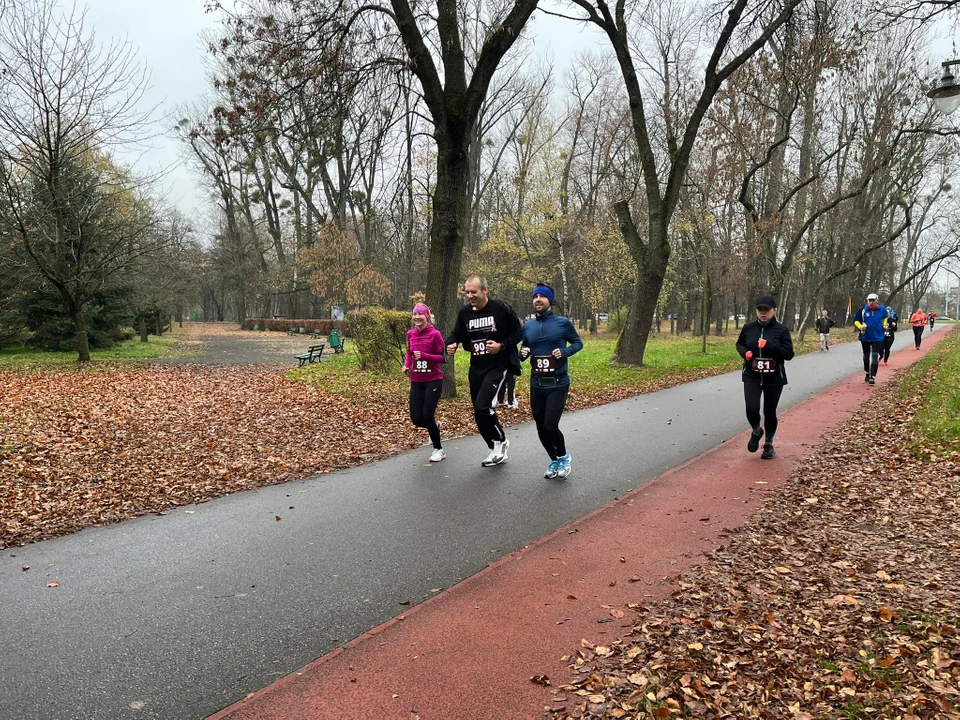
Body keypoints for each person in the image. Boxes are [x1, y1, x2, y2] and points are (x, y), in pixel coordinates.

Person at [445, 276, 523, 467]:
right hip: (477, 367)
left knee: (483, 406)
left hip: (499, 366)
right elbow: (457, 334)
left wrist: (501, 345)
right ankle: (494, 446)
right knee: (478, 412)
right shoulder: (464, 313)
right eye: (467, 292)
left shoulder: (501, 308)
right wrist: (451, 343)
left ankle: (501, 441)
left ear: (485, 290)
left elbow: (518, 332)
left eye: (474, 292)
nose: (470, 296)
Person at [519, 284, 583, 479]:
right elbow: (525, 347)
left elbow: (578, 343)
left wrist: (564, 352)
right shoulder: (528, 325)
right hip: (536, 383)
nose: (538, 299)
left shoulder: (562, 323)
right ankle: (554, 459)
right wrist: (522, 353)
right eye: (535, 296)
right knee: (540, 426)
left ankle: (564, 456)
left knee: (550, 425)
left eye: (542, 296)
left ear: (550, 301)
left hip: (557, 383)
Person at [736, 295, 794, 460]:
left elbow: (788, 354)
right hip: (752, 375)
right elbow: (739, 343)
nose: (763, 313)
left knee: (769, 412)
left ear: (774, 311)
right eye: (760, 310)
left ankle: (768, 444)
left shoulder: (781, 330)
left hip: (774, 378)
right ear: (756, 311)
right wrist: (744, 353)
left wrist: (769, 345)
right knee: (751, 408)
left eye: (767, 310)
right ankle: (756, 431)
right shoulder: (748, 328)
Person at [403, 304, 447, 462]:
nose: (416, 318)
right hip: (416, 379)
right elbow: (409, 353)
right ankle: (435, 425)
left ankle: (438, 449)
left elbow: (443, 358)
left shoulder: (435, 334)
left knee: (427, 415)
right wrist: (406, 365)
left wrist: (425, 356)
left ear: (427, 316)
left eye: (420, 315)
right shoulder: (410, 334)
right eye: (414, 315)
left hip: (433, 379)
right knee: (416, 418)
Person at [854, 293, 888, 384]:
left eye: (873, 300)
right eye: (870, 300)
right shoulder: (862, 310)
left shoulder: (882, 309)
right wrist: (860, 326)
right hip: (865, 336)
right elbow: (856, 320)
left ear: (877, 300)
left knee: (874, 356)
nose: (871, 302)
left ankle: (873, 376)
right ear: (867, 301)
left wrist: (884, 325)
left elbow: (885, 317)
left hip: (877, 336)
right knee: (866, 357)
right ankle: (867, 372)